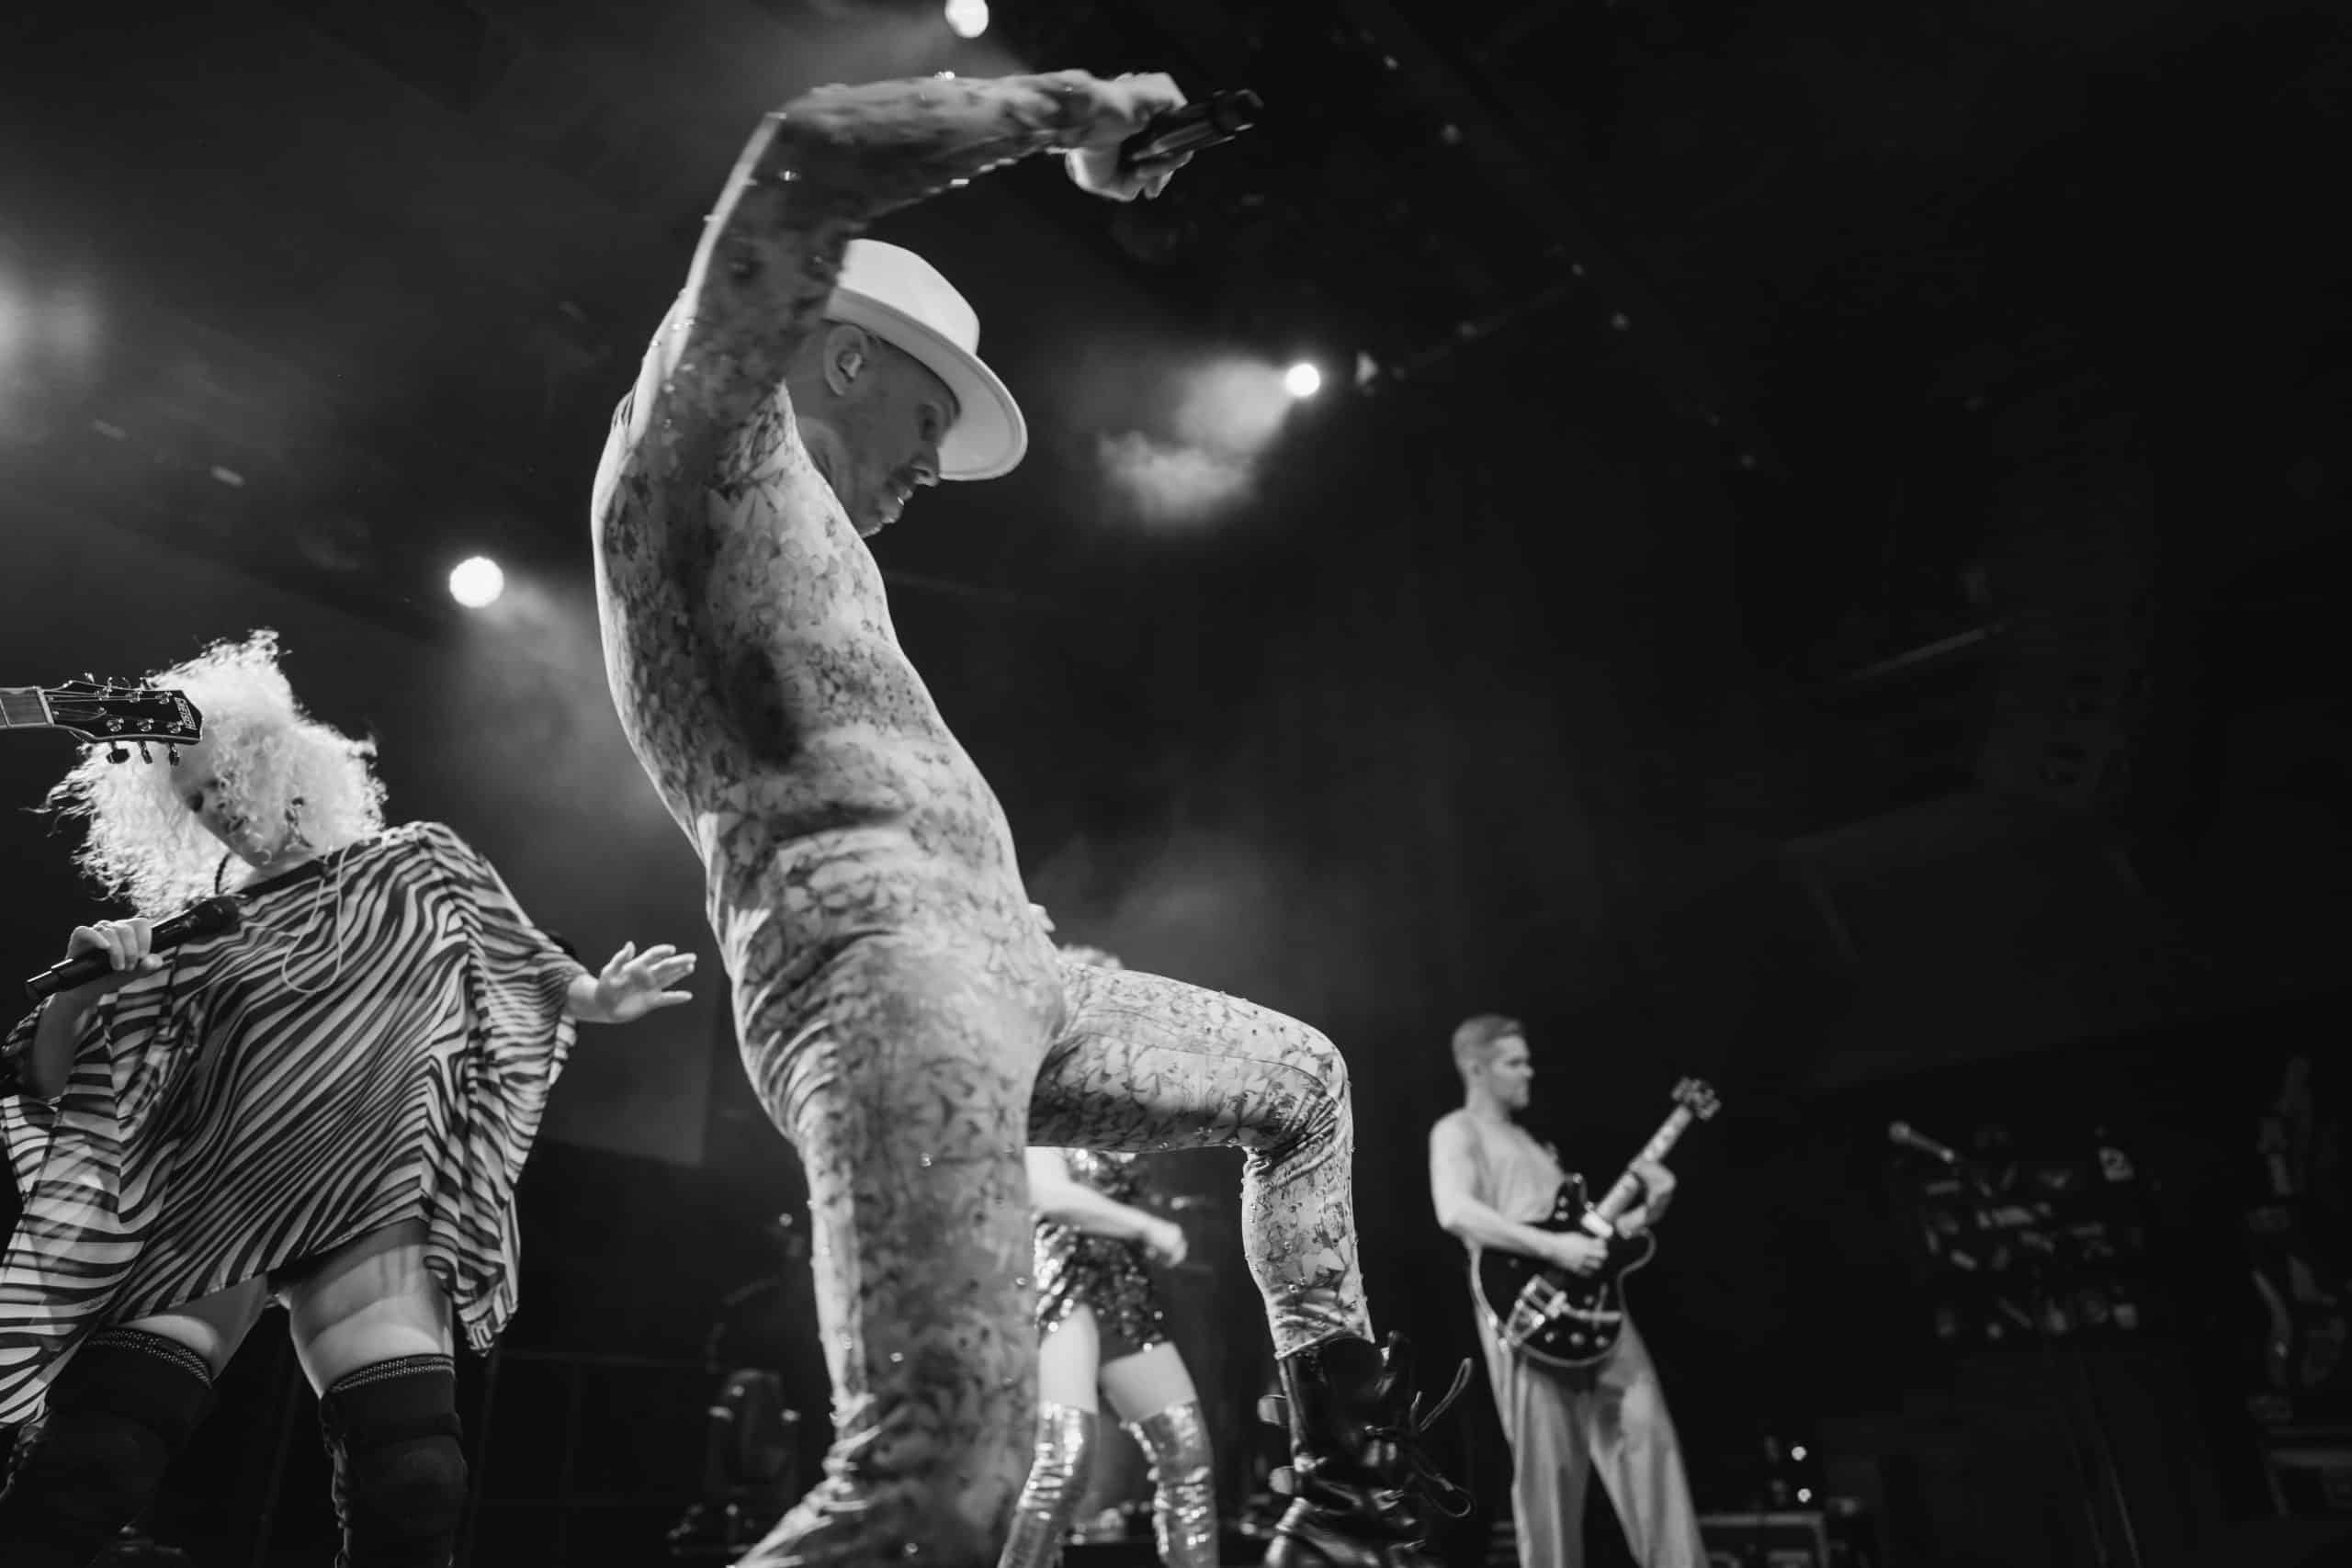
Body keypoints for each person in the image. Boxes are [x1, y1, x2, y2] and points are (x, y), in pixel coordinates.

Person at [590, 67, 1464, 1568]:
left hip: (1007, 971)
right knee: (937, 1485)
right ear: (843, 356)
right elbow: (807, 153)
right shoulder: (705, 432)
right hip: (879, 969)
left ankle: (1343, 1497)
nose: (936, 465)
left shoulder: (810, 525)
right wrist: (1082, 109)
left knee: (1301, 1084)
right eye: (928, 416)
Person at [0, 630, 695, 1568]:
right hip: (216, 1206)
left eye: (224, 780)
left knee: (415, 1481)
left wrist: (599, 999)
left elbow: (520, 962)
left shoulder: (417, 866)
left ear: (284, 763)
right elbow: (52, 1084)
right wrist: (80, 996)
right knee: (97, 1455)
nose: (215, 808)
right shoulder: (195, 930)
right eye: (195, 799)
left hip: (372, 1202)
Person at [1428, 1014, 1707, 1568]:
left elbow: (1592, 1237)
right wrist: (1555, 1249)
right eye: (1514, 1062)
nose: (1528, 1071)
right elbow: (1455, 1210)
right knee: (1548, 1476)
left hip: (1598, 1312)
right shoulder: (1457, 1130)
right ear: (1476, 1069)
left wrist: (1650, 1211)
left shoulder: (1539, 1146)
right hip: (1526, 1314)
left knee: (1650, 1445)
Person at [1002, 944, 1216, 1568]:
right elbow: (1051, 1195)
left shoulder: (1115, 1095)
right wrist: (1146, 1226)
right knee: (1064, 1460)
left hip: (1119, 1283)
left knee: (1187, 1454)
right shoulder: (1035, 1085)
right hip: (1059, 1275)